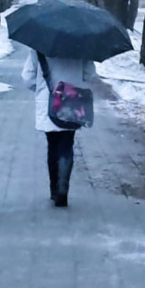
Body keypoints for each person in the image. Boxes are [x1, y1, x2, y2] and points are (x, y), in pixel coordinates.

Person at [22, 49, 96, 207]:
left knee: (52, 145)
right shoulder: (80, 44)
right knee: (67, 144)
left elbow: (27, 77)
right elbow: (89, 74)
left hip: (49, 102)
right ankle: (64, 187)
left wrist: (43, 88)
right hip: (72, 102)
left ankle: (54, 190)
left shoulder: (39, 47)